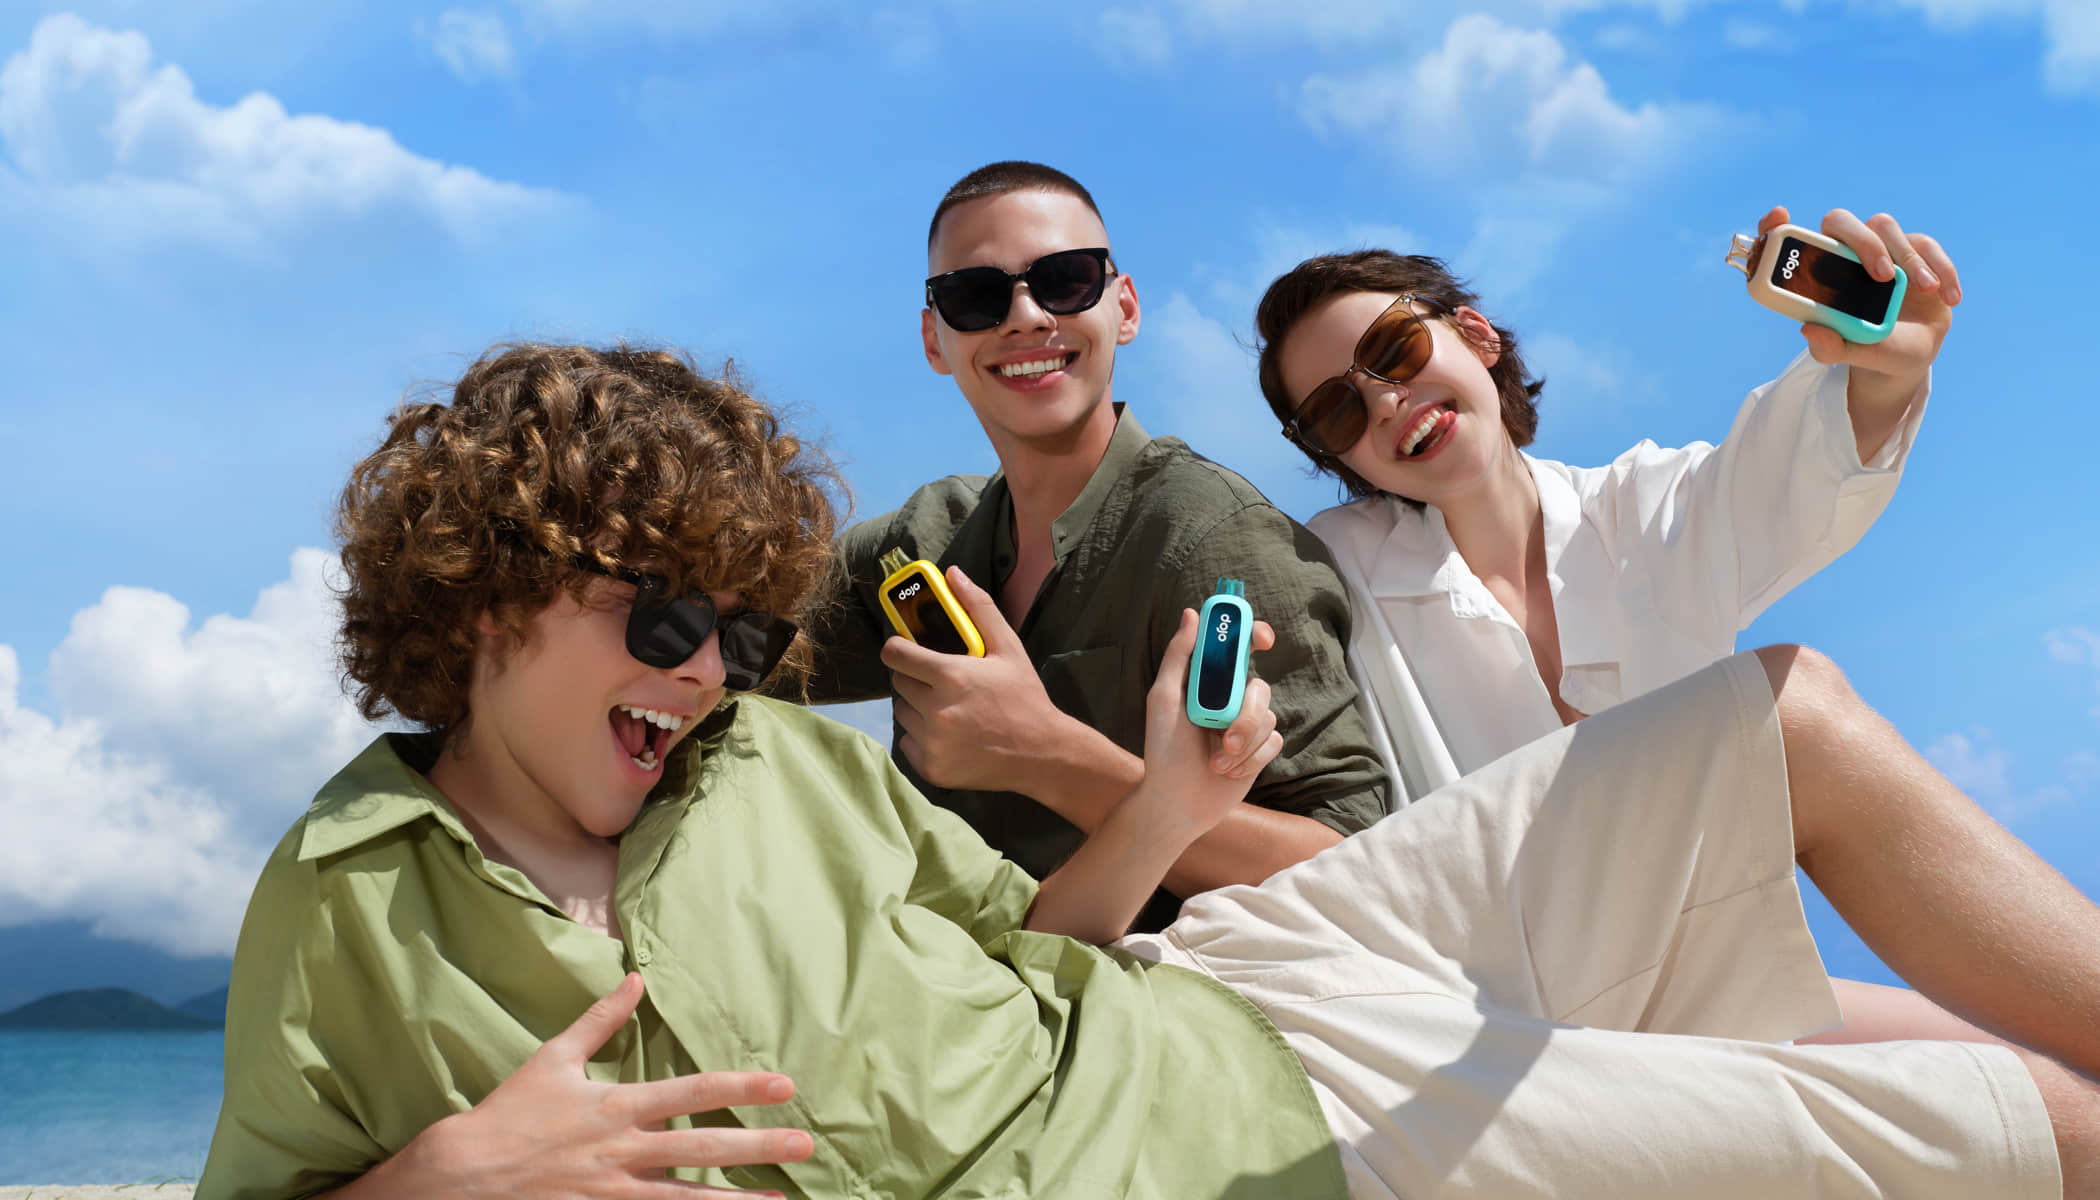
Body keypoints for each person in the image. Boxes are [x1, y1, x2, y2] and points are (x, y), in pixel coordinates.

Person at [199, 339, 2100, 1200]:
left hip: (1229, 981)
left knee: (1777, 716)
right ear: (492, 588)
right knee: (2011, 1137)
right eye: (668, 621)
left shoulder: (766, 759)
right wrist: (441, 1179)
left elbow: (1038, 947)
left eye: (740, 632)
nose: (707, 678)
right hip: (1244, 1141)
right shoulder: (350, 901)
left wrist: (1170, 808)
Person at [1255, 208, 1981, 1042]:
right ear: (1336, 456)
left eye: (1395, 349)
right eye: (1337, 412)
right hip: (1502, 1028)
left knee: (2048, 1072)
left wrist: (1886, 373)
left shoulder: (1641, 507)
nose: (1385, 401)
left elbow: (1798, 476)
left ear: (1477, 336)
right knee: (1793, 710)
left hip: (1713, 997)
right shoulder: (1332, 573)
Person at [793, 161, 1386, 932]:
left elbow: (1349, 866)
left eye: (1064, 281)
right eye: (975, 296)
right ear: (935, 339)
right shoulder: (927, 537)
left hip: (1148, 986)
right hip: (929, 974)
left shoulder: (1212, 536)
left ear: (1125, 307)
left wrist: (1046, 756)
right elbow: (721, 624)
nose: (1025, 317)